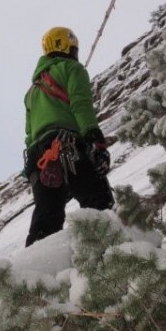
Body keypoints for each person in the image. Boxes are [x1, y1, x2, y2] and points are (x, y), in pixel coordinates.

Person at [23, 26, 114, 247]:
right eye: (74, 48)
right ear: (64, 46)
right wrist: (96, 141)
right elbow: (81, 105)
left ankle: (35, 271)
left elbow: (29, 134)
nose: (76, 53)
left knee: (47, 218)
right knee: (99, 202)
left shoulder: (32, 92)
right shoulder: (72, 69)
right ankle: (110, 257)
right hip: (67, 144)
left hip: (38, 158)